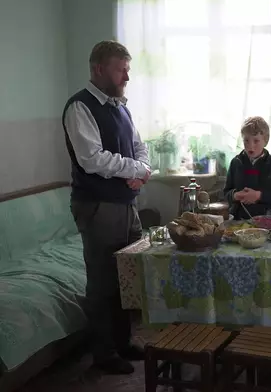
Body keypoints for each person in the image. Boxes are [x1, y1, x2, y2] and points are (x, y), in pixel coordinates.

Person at [63, 40, 150, 374]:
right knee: (102, 280)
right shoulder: (80, 107)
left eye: (127, 69)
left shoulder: (121, 106)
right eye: (120, 68)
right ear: (98, 69)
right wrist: (136, 170)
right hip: (98, 206)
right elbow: (92, 159)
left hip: (126, 205)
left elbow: (140, 147)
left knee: (128, 275)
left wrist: (141, 170)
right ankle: (103, 353)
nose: (126, 76)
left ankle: (123, 341)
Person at [223, 116, 271, 219]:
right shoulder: (235, 163)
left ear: (265, 140)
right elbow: (226, 193)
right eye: (246, 140)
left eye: (256, 141)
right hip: (240, 221)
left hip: (269, 221)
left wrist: (259, 196)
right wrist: (235, 195)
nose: (251, 146)